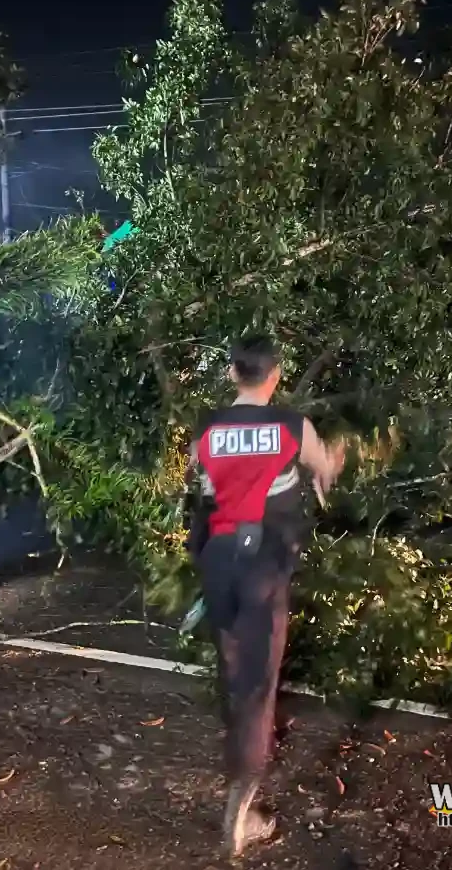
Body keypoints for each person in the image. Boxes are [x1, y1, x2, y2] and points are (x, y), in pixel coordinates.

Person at [186, 335, 345, 856]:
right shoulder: (291, 426)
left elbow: (204, 485)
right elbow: (323, 472)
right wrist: (331, 464)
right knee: (258, 684)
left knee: (235, 672)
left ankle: (241, 752)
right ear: (274, 375)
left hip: (219, 560)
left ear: (233, 374)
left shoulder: (206, 428)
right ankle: (240, 813)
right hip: (262, 565)